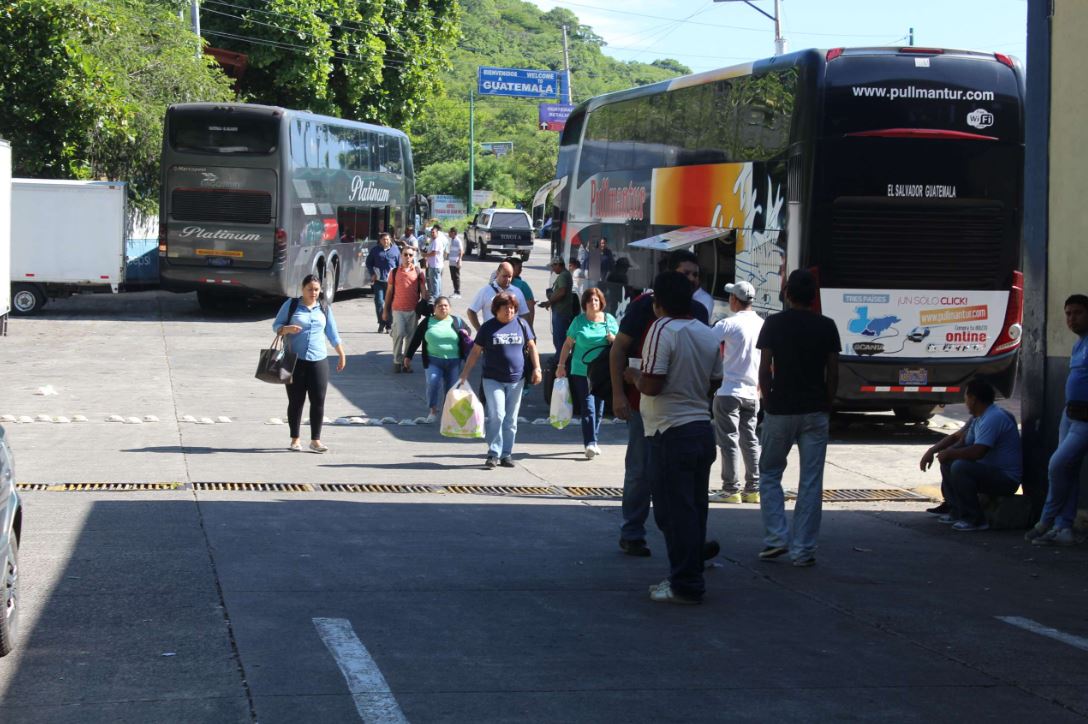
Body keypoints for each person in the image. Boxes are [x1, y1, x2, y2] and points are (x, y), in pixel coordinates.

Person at [624, 271, 721, 604]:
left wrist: (633, 375)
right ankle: (690, 566)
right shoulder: (706, 333)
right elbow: (715, 380)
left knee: (671, 513)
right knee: (693, 508)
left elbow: (652, 384)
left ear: (657, 302)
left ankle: (686, 583)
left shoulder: (662, 329)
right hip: (701, 429)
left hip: (670, 431)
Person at [609, 249, 710, 558]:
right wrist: (618, 394)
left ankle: (689, 545)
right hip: (645, 407)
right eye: (685, 274)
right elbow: (619, 352)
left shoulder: (700, 314)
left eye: (695, 274)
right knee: (641, 470)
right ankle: (633, 532)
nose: (691, 279)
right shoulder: (647, 311)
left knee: (680, 485)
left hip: (686, 415)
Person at [756, 269, 841, 567]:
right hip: (815, 409)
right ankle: (803, 550)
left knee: (769, 473)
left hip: (781, 408)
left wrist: (768, 400)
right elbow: (833, 372)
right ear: (814, 297)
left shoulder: (774, 324)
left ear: (787, 294)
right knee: (811, 481)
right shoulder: (827, 326)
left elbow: (765, 369)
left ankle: (776, 538)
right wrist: (826, 403)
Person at [1026, 293, 1088, 546]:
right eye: (1068, 314)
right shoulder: (1078, 344)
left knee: (1057, 465)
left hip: (1085, 419)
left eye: (1077, 313)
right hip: (1070, 415)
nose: (1071, 319)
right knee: (1067, 471)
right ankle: (1063, 527)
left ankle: (1045, 521)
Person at [919, 379, 1022, 531]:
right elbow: (957, 437)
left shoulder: (993, 418)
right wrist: (933, 451)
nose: (965, 401)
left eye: (966, 396)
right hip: (987, 470)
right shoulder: (978, 417)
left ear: (973, 399)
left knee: (960, 466)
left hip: (1005, 478)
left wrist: (951, 453)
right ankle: (956, 511)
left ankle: (975, 519)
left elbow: (977, 452)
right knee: (948, 462)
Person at [458, 292, 543, 468]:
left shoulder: (522, 324)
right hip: (492, 378)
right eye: (506, 308)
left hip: (516, 379)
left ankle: (506, 454)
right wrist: (465, 374)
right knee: (497, 414)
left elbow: (532, 347)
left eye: (512, 308)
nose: (509, 312)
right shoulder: (488, 327)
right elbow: (475, 352)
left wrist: (537, 368)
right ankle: (494, 452)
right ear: (496, 309)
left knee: (510, 419)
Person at [271, 274, 347, 453]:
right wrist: (286, 329)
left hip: (318, 360)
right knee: (296, 401)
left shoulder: (324, 308)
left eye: (316, 289)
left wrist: (341, 355)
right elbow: (276, 326)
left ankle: (315, 440)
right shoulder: (291, 305)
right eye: (309, 289)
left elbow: (332, 333)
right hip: (294, 360)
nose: (313, 293)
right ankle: (295, 439)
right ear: (302, 289)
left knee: (318, 401)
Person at [710, 281, 764, 504]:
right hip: (753, 392)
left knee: (729, 441)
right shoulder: (763, 324)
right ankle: (754, 489)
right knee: (750, 440)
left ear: (734, 300)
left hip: (729, 391)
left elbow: (704, 342)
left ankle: (731, 489)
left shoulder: (728, 324)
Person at [556, 288, 618, 459]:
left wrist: (613, 339)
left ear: (601, 303)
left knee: (599, 408)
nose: (593, 303)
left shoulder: (609, 320)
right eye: (590, 300)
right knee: (588, 407)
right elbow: (567, 344)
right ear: (585, 303)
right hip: (581, 370)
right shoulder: (578, 321)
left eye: (596, 300)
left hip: (602, 372)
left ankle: (594, 439)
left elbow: (620, 343)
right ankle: (590, 443)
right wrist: (561, 365)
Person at [404, 296, 472, 424]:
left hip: (454, 361)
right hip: (433, 360)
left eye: (446, 305)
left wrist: (465, 332)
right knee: (433, 383)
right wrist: (408, 356)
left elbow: (468, 330)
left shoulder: (456, 321)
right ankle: (433, 411)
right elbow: (416, 339)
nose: (443, 308)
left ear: (450, 308)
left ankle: (449, 413)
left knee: (451, 389)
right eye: (440, 306)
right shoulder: (427, 322)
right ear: (434, 309)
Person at [382, 245, 426, 373]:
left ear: (413, 257)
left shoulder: (418, 272)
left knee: (411, 339)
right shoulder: (394, 272)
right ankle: (397, 360)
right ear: (401, 256)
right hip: (398, 309)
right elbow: (389, 292)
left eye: (410, 255)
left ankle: (406, 363)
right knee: (399, 333)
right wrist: (385, 311)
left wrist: (426, 300)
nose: (408, 257)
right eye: (405, 254)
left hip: (413, 310)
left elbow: (423, 291)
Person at [466, 261, 529, 331]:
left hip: (512, 334)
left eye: (510, 276)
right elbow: (471, 311)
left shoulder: (517, 292)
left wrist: (524, 331)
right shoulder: (485, 291)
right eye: (504, 276)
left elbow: (524, 314)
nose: (507, 279)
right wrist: (480, 330)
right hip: (491, 334)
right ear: (497, 273)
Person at [539, 256, 577, 355]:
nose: (552, 268)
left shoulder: (563, 276)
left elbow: (562, 292)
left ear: (558, 265)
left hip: (561, 311)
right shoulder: (564, 275)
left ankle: (559, 360)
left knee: (559, 338)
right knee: (559, 338)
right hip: (561, 311)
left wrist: (549, 302)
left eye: (553, 266)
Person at [365, 232, 400, 333]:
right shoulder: (375, 250)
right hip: (379, 281)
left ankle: (389, 325)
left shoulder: (395, 250)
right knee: (379, 302)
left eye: (387, 239)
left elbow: (400, 265)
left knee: (389, 303)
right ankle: (381, 322)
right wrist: (372, 273)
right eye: (383, 239)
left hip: (391, 283)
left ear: (390, 240)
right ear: (380, 241)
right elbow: (368, 263)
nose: (386, 241)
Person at [507, 256, 536, 329]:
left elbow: (530, 307)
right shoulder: (522, 285)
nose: (521, 270)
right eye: (519, 267)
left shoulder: (522, 285)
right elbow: (530, 307)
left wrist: (529, 327)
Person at [424, 224, 448, 300]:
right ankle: (438, 296)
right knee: (437, 281)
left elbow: (434, 253)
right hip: (436, 265)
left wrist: (425, 254)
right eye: (431, 232)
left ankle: (436, 297)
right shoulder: (433, 241)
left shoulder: (436, 241)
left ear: (437, 233)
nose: (432, 234)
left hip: (435, 265)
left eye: (433, 232)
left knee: (434, 282)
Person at [447, 227, 463, 298]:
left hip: (455, 262)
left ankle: (457, 292)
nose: (448, 233)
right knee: (453, 277)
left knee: (456, 277)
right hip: (451, 262)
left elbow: (461, 251)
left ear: (453, 233)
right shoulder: (452, 240)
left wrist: (459, 260)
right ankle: (455, 291)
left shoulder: (457, 240)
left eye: (449, 232)